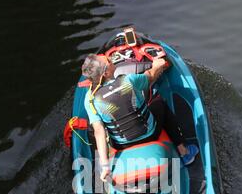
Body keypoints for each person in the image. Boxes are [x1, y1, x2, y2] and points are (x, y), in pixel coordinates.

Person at [81, 53, 199, 181]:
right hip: (149, 134)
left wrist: (105, 166)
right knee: (159, 102)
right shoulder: (128, 80)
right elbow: (152, 75)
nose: (111, 60)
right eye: (109, 61)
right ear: (106, 74)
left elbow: (99, 132)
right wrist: (157, 64)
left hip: (121, 145)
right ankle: (184, 152)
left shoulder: (90, 99)